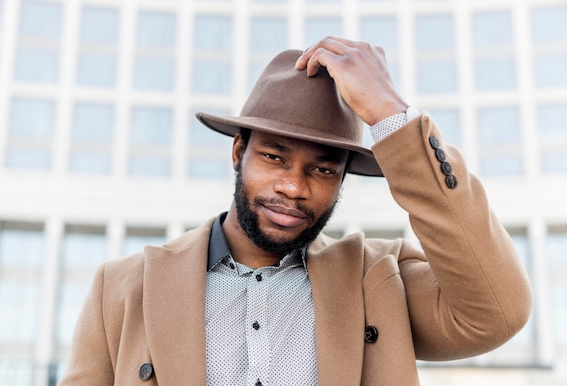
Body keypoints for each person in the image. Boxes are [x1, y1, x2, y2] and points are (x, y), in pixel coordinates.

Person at [60, 37, 532, 385]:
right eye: (273, 157)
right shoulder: (121, 288)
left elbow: (497, 312)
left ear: (343, 179)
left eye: (323, 170)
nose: (293, 187)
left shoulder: (379, 279)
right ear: (237, 151)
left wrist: (390, 115)